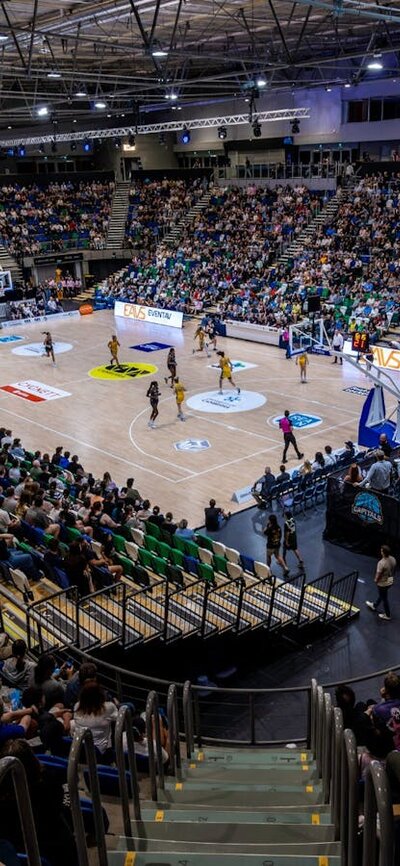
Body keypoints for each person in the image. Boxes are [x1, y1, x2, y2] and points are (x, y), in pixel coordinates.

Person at [70, 681, 118, 762]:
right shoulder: (108, 707)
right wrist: (116, 703)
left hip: (80, 750)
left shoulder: (77, 706)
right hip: (101, 752)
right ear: (100, 694)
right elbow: (118, 718)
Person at [366, 544, 396, 621]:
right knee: (383, 594)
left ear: (383, 552)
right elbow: (394, 569)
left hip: (383, 583)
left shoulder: (381, 563)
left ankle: (387, 615)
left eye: (381, 551)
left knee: (384, 598)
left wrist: (376, 580)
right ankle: (374, 605)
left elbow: (378, 574)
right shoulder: (393, 559)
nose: (380, 551)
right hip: (390, 580)